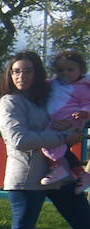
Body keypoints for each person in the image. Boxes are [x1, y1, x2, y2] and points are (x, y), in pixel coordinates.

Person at [0, 51, 90, 229]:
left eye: (27, 71)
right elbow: (19, 138)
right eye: (16, 71)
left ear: (38, 74)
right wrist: (62, 136)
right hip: (26, 178)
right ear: (9, 75)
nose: (21, 76)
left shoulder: (45, 98)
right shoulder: (9, 102)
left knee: (86, 227)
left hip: (59, 175)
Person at [38, 51, 90, 189]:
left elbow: (87, 102)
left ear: (81, 70)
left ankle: (57, 167)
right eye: (61, 70)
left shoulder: (82, 88)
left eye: (70, 70)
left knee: (48, 141)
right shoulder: (55, 83)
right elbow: (43, 85)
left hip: (71, 119)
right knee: (62, 148)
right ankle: (81, 174)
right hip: (57, 120)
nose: (65, 73)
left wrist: (84, 113)